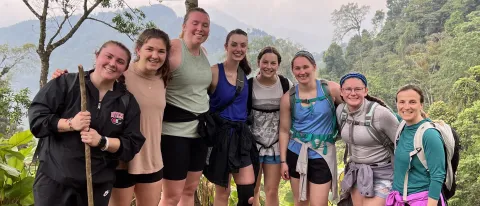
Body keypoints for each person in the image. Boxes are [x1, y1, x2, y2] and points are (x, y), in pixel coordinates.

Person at [50, 28, 172, 206]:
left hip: (151, 158)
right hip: (120, 158)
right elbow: (93, 80)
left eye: (161, 51)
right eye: (150, 49)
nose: (155, 55)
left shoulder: (164, 78)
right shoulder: (120, 74)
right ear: (138, 50)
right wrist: (63, 78)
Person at [29, 40, 145, 206]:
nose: (112, 64)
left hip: (97, 184)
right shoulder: (66, 83)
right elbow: (37, 119)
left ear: (125, 68)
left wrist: (102, 141)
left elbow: (132, 143)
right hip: (54, 181)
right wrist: (70, 123)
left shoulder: (126, 101)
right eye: (108, 57)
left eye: (120, 61)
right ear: (97, 56)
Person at [160, 7, 212, 206]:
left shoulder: (203, 52)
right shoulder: (173, 47)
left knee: (189, 191)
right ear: (184, 26)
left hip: (199, 133)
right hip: (174, 133)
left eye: (205, 25)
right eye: (195, 23)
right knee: (171, 196)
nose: (200, 29)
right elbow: (142, 69)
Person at [278, 50, 342, 206]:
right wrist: (283, 161)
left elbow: (353, 107)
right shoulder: (288, 98)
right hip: (297, 152)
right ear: (293, 71)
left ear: (314, 67)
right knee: (300, 203)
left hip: (323, 154)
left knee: (318, 204)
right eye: (297, 68)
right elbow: (284, 131)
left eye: (305, 67)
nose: (302, 72)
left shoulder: (331, 89)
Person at [203, 28, 258, 206]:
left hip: (241, 137)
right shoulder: (213, 72)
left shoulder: (245, 76)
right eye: (234, 44)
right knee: (222, 193)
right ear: (226, 46)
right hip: (220, 137)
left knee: (248, 195)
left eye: (243, 45)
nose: (238, 49)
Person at [336, 72, 399, 206]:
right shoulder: (341, 112)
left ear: (365, 91)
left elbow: (402, 144)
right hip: (356, 173)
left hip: (383, 173)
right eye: (348, 89)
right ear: (341, 92)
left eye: (358, 89)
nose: (353, 93)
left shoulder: (380, 114)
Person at [247, 46, 293, 206]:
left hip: (276, 146)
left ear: (278, 65)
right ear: (258, 62)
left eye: (273, 63)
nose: (269, 66)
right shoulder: (249, 85)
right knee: (252, 190)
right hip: (252, 146)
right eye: (265, 62)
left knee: (272, 190)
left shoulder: (286, 84)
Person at [386, 84, 446, 206]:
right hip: (399, 199)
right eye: (402, 102)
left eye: (412, 102)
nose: (406, 107)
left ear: (421, 105)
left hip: (421, 200)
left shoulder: (429, 134)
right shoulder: (402, 126)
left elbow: (438, 176)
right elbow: (383, 110)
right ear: (397, 104)